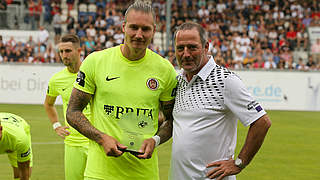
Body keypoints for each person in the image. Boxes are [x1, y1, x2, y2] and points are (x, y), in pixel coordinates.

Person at [66, 1, 177, 180]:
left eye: (145, 29)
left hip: (144, 175)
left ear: (154, 31)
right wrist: (101, 138)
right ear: (123, 27)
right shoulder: (96, 62)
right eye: (133, 27)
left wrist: (155, 140)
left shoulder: (165, 70)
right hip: (99, 174)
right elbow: (72, 112)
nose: (139, 35)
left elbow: (171, 121)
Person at [168, 22, 272, 180]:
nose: (186, 54)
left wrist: (239, 163)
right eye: (180, 48)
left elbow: (262, 122)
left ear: (206, 47)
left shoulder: (225, 80)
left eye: (192, 47)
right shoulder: (178, 81)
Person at [44, 34, 91, 180]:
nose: (64, 55)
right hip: (73, 143)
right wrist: (56, 125)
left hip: (95, 142)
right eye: (61, 52)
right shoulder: (56, 80)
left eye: (68, 51)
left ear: (79, 50)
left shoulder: (93, 73)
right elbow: (48, 103)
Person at [0, 112, 33, 180]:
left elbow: (24, 170)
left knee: (20, 173)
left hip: (18, 127)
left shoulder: (19, 139)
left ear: (0, 129)